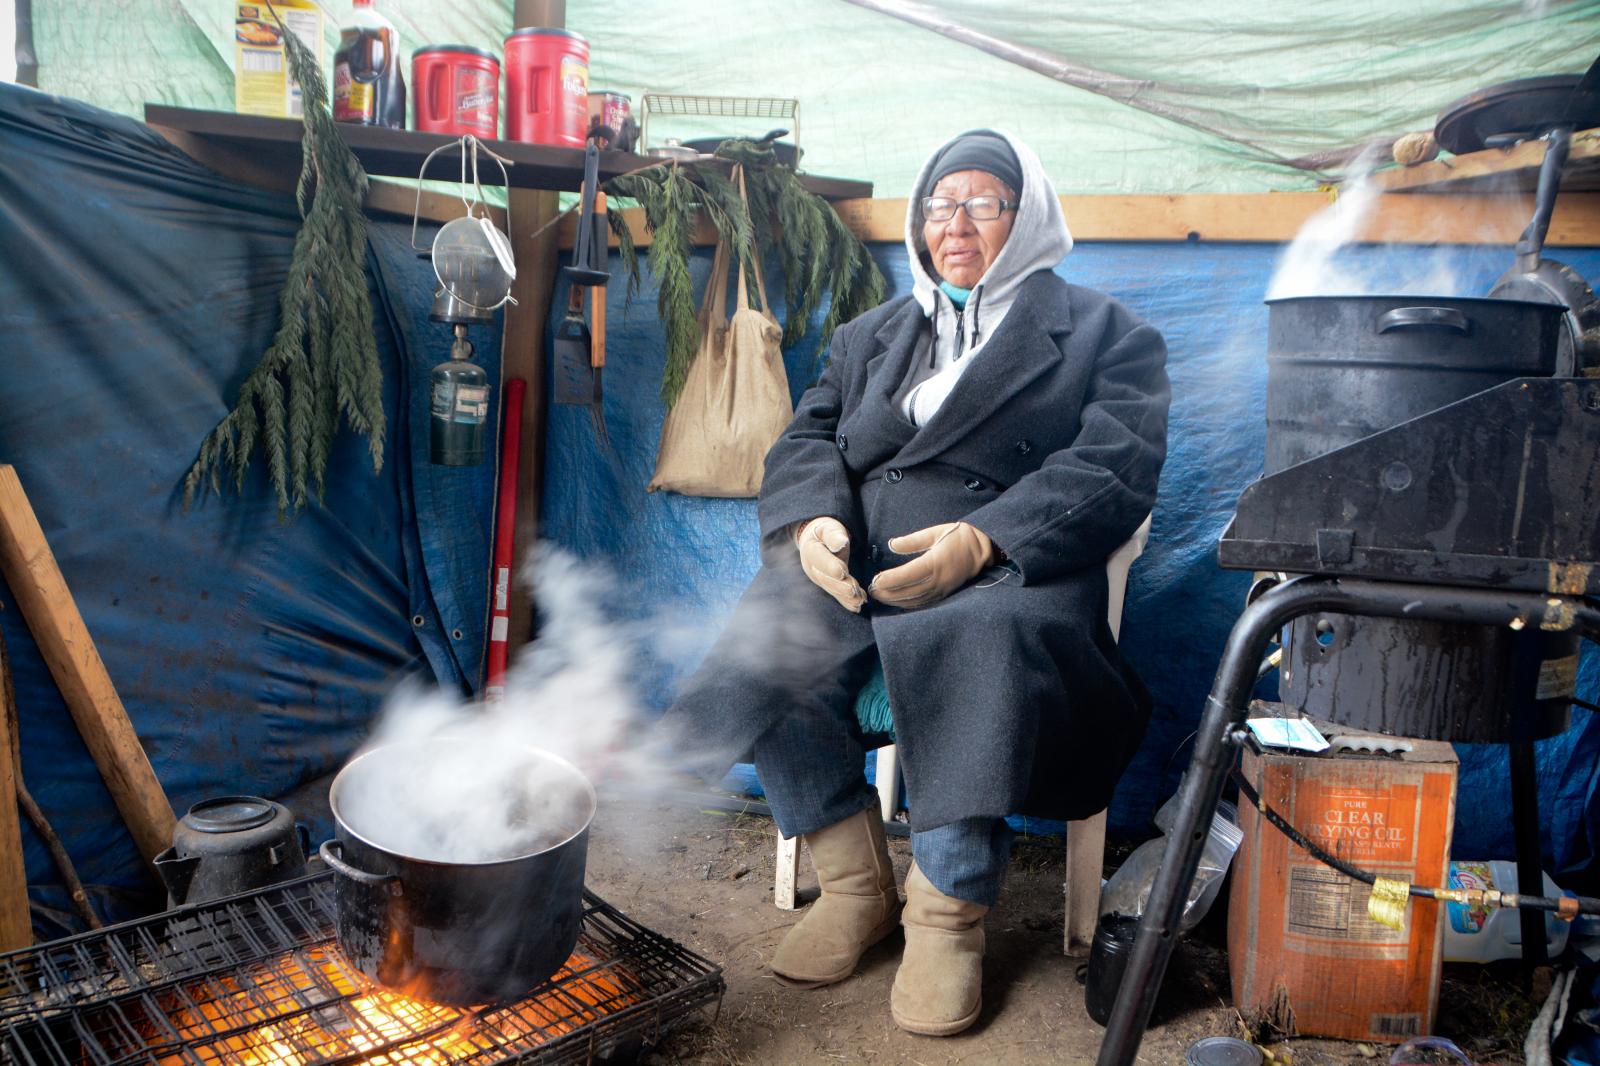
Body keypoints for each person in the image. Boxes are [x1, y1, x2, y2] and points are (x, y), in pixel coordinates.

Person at [658, 129, 1170, 1036]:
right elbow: (806, 441)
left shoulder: (1107, 335)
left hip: (1015, 568)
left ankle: (947, 917)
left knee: (973, 638)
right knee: (772, 633)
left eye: (983, 202)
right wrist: (811, 524)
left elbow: (1115, 466)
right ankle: (856, 888)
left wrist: (985, 541)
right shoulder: (873, 336)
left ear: (1029, 216)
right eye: (940, 204)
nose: (956, 222)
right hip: (864, 556)